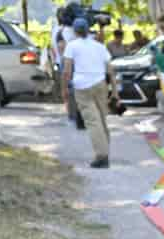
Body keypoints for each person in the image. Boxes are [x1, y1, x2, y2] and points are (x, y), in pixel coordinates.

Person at [62, 17, 118, 168]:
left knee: (93, 121)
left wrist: (64, 90)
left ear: (75, 31)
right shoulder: (99, 46)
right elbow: (110, 70)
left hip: (82, 86)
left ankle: (102, 156)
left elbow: (67, 71)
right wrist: (115, 92)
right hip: (100, 84)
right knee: (102, 119)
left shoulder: (72, 46)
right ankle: (105, 151)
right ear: (88, 30)